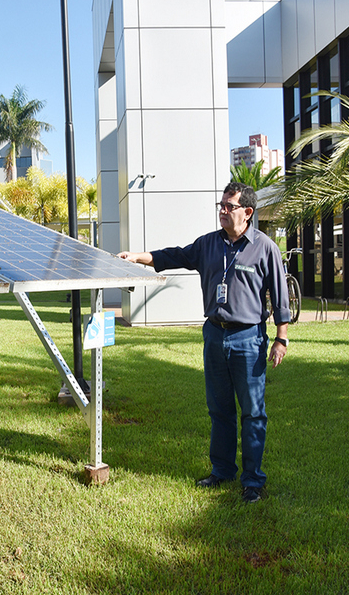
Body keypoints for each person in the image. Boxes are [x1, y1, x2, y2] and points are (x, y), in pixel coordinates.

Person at [118, 182, 290, 503]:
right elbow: (175, 256)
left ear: (247, 213)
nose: (223, 211)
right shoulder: (209, 244)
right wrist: (137, 257)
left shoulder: (265, 248)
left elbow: (280, 297)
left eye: (229, 206)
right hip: (214, 334)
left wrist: (281, 338)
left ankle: (252, 481)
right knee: (219, 408)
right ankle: (222, 470)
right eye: (221, 205)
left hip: (249, 338)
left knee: (253, 412)